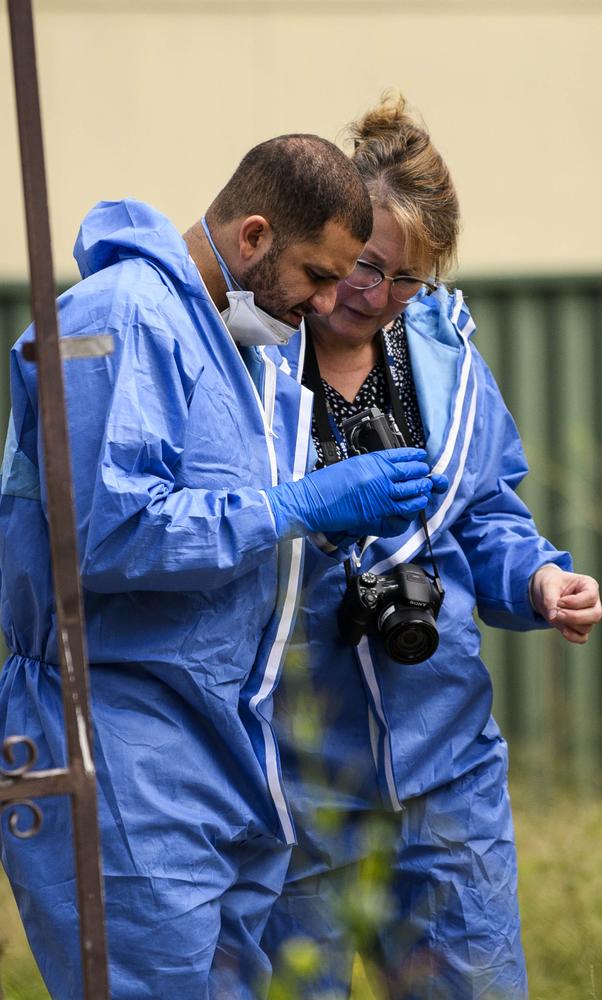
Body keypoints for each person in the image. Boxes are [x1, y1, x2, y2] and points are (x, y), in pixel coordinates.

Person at [0, 134, 452, 1000]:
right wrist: (296, 506)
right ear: (253, 235)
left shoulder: (232, 345)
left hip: (211, 742)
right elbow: (105, 533)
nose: (324, 305)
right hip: (116, 734)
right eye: (317, 275)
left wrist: (320, 520)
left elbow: (206, 523)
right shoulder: (120, 316)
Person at [260, 93, 602, 1000]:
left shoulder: (446, 364)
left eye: (407, 280)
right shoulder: (256, 361)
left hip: (447, 774)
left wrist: (538, 579)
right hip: (300, 786)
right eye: (364, 264)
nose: (375, 296)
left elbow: (487, 511)